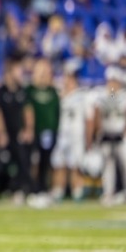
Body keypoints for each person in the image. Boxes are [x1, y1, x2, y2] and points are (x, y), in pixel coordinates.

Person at [0, 56, 34, 207]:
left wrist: (28, 129)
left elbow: (27, 111)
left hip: (18, 134)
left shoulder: (22, 91)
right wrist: (1, 133)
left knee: (23, 162)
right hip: (2, 134)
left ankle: (22, 192)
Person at [90, 67, 126, 205]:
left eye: (114, 81)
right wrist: (99, 131)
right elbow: (98, 113)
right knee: (108, 166)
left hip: (121, 134)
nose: (112, 84)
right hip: (107, 134)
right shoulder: (104, 96)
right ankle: (108, 193)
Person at [51, 63, 91, 201]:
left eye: (70, 77)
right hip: (61, 134)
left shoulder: (83, 95)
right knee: (58, 163)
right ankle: (58, 190)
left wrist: (112, 88)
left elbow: (111, 96)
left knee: (76, 164)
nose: (67, 80)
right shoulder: (58, 93)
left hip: (77, 135)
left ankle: (77, 190)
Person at [26, 58, 60, 207]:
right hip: (34, 131)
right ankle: (32, 190)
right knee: (33, 161)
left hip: (49, 132)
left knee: (46, 163)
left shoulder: (52, 91)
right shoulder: (29, 90)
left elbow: (57, 112)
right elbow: (27, 111)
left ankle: (43, 190)